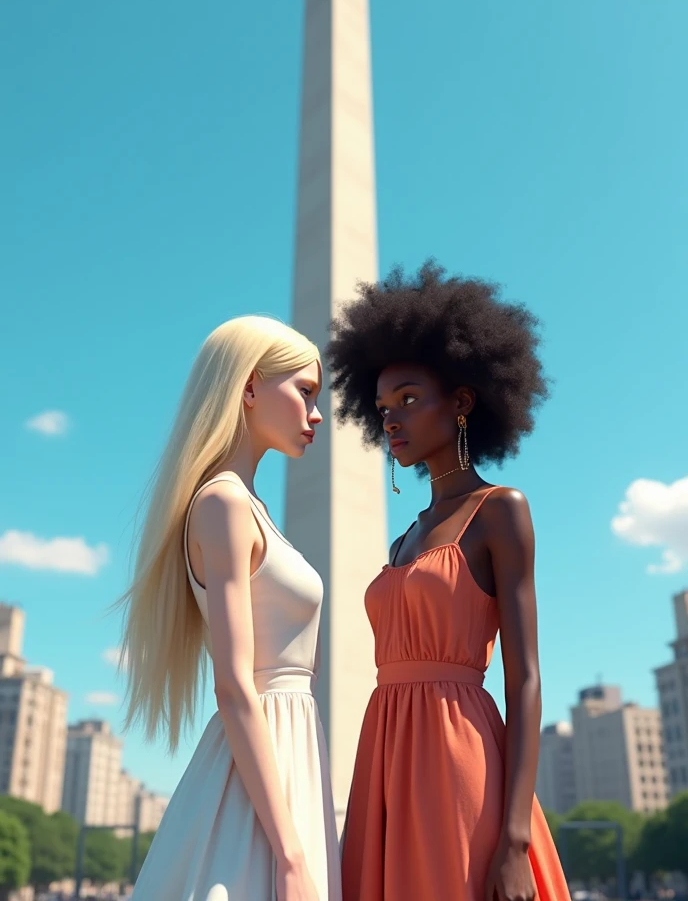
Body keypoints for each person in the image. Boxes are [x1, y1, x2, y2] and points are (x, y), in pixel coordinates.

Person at [327, 262, 570, 901]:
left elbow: (526, 677)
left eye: (409, 399)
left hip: (461, 755)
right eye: (382, 408)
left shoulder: (501, 511)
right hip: (383, 750)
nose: (392, 420)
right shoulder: (402, 538)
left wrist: (514, 837)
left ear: (462, 401)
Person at [118, 315, 341, 900]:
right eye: (305, 393)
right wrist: (291, 855)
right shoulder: (224, 503)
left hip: (285, 756)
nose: (317, 414)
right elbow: (235, 687)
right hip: (260, 769)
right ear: (247, 388)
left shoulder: (248, 506)